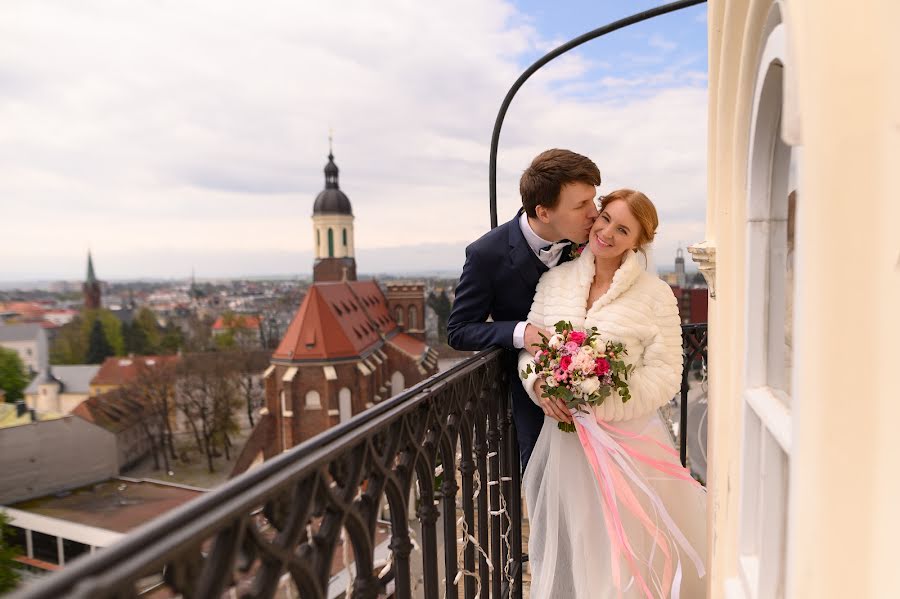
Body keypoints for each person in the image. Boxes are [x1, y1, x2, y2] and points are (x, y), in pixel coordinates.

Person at [518, 189, 707, 598]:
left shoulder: (655, 296)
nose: (606, 232)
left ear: (638, 242)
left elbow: (665, 374)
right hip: (567, 442)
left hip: (629, 443)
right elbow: (530, 349)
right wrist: (539, 384)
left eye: (623, 229)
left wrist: (604, 398)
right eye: (605, 219)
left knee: (626, 545)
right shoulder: (554, 282)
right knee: (579, 537)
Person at [447, 148, 601, 469]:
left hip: (601, 396)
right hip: (535, 405)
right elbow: (458, 331)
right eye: (581, 205)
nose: (594, 213)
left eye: (593, 200)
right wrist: (521, 332)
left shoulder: (594, 240)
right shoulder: (486, 254)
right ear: (544, 213)